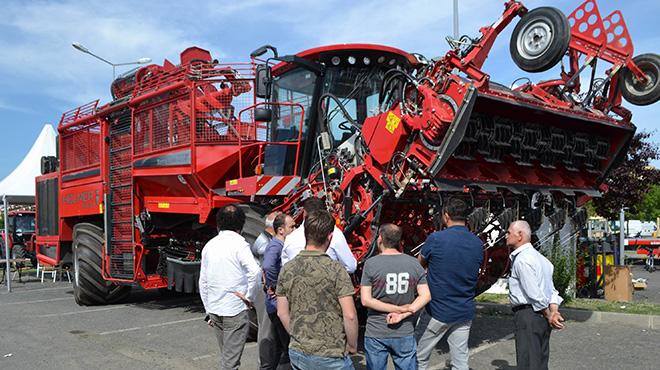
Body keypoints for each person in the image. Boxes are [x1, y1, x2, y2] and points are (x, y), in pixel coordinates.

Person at [277, 210, 358, 370]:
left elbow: (282, 312)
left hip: (298, 351)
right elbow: (349, 315)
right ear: (329, 237)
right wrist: (353, 345)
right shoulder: (336, 270)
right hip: (331, 353)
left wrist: (296, 336)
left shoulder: (287, 269)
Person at [415, 198, 483, 370]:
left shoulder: (436, 239)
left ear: (446, 216)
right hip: (464, 311)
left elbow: (418, 266)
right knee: (460, 362)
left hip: (437, 310)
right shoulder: (477, 243)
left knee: (418, 357)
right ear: (466, 217)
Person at [360, 223, 431, 370]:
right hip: (404, 331)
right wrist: (404, 311)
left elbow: (366, 300)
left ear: (380, 238)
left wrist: (395, 309)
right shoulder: (413, 263)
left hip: (376, 331)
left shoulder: (371, 264)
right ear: (399, 241)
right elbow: (426, 295)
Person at [199, 204, 261, 370]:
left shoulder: (209, 246)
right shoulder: (240, 245)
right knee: (230, 363)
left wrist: (208, 309)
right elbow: (255, 272)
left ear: (218, 224)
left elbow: (203, 281)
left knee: (227, 357)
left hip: (215, 309)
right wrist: (249, 297)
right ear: (241, 225)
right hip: (235, 310)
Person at [506, 220, 564, 370]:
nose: (506, 236)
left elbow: (534, 295)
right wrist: (554, 311)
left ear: (520, 235)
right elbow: (552, 291)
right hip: (541, 318)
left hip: (529, 315)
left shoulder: (523, 260)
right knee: (540, 361)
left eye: (509, 232)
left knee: (528, 362)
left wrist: (549, 314)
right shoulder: (542, 260)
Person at [281, 197, 357, 273]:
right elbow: (351, 267)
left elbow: (285, 269)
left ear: (304, 213)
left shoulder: (290, 239)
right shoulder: (335, 233)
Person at [260, 213, 296, 370]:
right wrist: (276, 285)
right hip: (276, 303)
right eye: (292, 227)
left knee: (279, 345)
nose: (294, 229)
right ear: (281, 230)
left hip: (274, 302)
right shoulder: (277, 246)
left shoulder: (279, 244)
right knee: (286, 346)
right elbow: (267, 266)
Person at [252, 211, 280, 368]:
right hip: (265, 291)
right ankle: (265, 364)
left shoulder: (266, 240)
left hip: (265, 289)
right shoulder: (265, 243)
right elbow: (268, 268)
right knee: (267, 330)